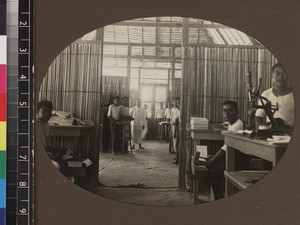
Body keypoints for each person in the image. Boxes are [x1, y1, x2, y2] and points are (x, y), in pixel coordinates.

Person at [205, 100, 249, 200]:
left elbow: (226, 148)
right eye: (224, 111)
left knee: (213, 170)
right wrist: (212, 159)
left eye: (230, 111)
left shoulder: (238, 125)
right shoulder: (231, 124)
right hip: (231, 155)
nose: (227, 113)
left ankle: (219, 198)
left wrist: (212, 161)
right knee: (209, 162)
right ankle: (219, 196)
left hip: (239, 158)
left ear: (237, 112)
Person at [255, 62, 294, 130]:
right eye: (277, 73)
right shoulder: (266, 94)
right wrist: (263, 128)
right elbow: (259, 116)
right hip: (270, 133)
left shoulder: (293, 95)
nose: (280, 76)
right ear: (272, 76)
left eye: (283, 73)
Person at [36, 100, 70, 169]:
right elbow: (37, 149)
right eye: (44, 111)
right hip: (35, 155)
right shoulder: (33, 125)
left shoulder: (46, 124)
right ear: (37, 111)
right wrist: (52, 155)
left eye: (49, 112)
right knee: (56, 165)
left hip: (43, 153)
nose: (47, 114)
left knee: (65, 162)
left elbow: (46, 145)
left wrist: (59, 151)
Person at [171, 97, 180, 164]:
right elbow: (175, 119)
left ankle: (178, 157)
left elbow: (177, 120)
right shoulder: (176, 110)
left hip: (179, 127)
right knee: (175, 141)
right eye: (177, 102)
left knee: (178, 142)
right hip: (176, 127)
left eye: (179, 102)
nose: (178, 104)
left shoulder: (181, 110)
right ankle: (177, 155)